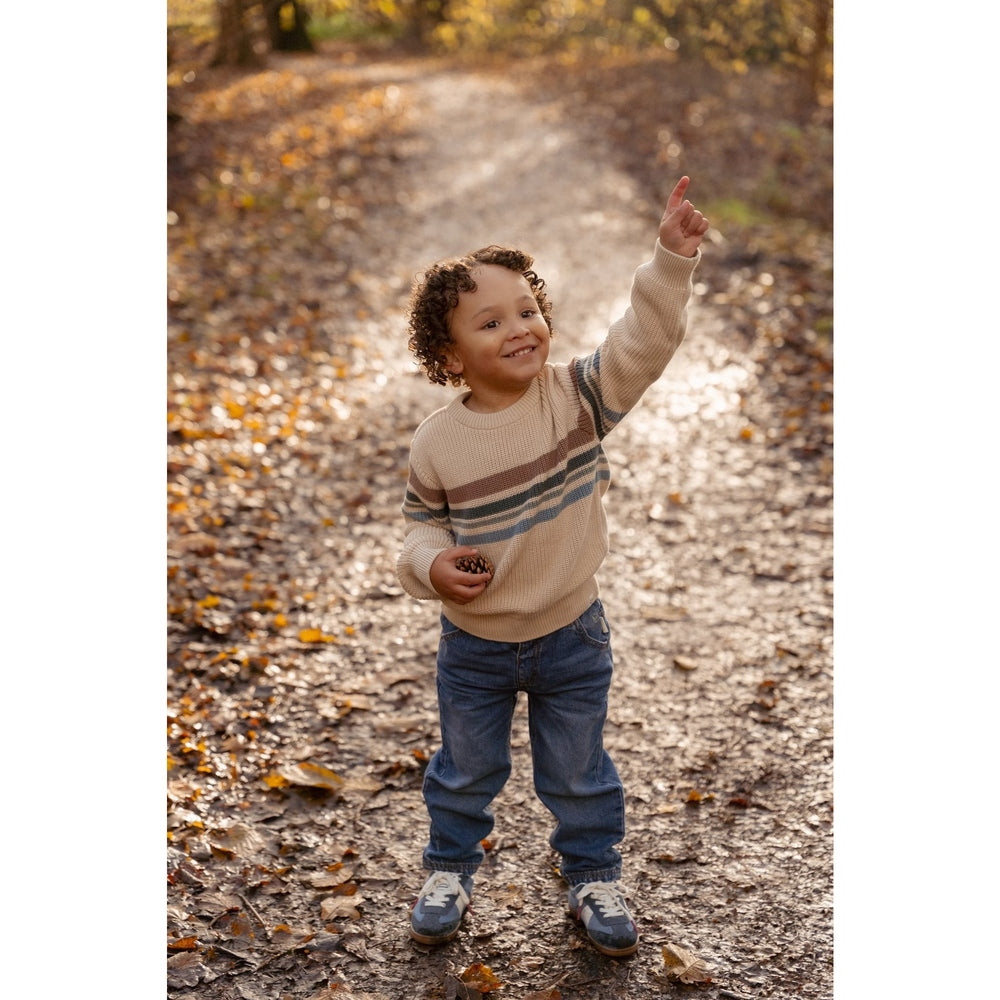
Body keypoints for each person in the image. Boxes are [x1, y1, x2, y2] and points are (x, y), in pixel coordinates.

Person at [396, 176, 708, 957]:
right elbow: (418, 529)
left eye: (528, 310)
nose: (520, 328)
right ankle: (449, 869)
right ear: (448, 353)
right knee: (467, 769)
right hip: (475, 646)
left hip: (572, 633)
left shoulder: (574, 399)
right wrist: (433, 568)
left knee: (577, 770)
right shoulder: (438, 442)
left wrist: (669, 261)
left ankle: (593, 874)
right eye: (491, 321)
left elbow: (643, 343)